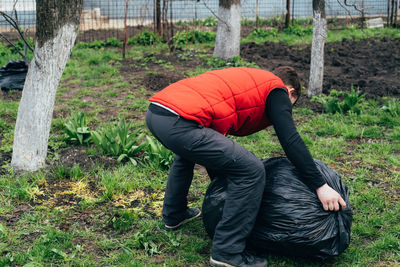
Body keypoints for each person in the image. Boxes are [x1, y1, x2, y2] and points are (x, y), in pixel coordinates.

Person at [145, 66, 347, 267]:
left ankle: (174, 215)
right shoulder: (278, 90)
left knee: (186, 155)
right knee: (251, 169)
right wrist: (320, 186)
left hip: (158, 113)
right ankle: (227, 251)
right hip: (180, 122)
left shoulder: (251, 81)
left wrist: (223, 195)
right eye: (290, 105)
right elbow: (290, 139)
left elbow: (217, 156)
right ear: (291, 92)